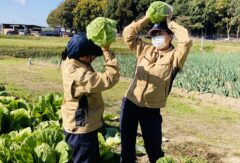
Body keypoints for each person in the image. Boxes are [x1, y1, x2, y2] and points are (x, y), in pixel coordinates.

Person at [120, 10, 192, 163]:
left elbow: (185, 41)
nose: (156, 38)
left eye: (160, 34)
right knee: (126, 147)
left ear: (170, 36)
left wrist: (169, 22)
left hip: (151, 109)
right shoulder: (144, 49)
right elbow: (127, 34)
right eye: (153, 34)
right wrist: (147, 18)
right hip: (130, 103)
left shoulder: (175, 57)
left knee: (154, 150)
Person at [61, 33, 120, 163]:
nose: (93, 58)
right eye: (91, 55)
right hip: (81, 127)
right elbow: (110, 78)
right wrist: (106, 52)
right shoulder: (80, 75)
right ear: (83, 56)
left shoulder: (70, 60)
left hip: (74, 121)